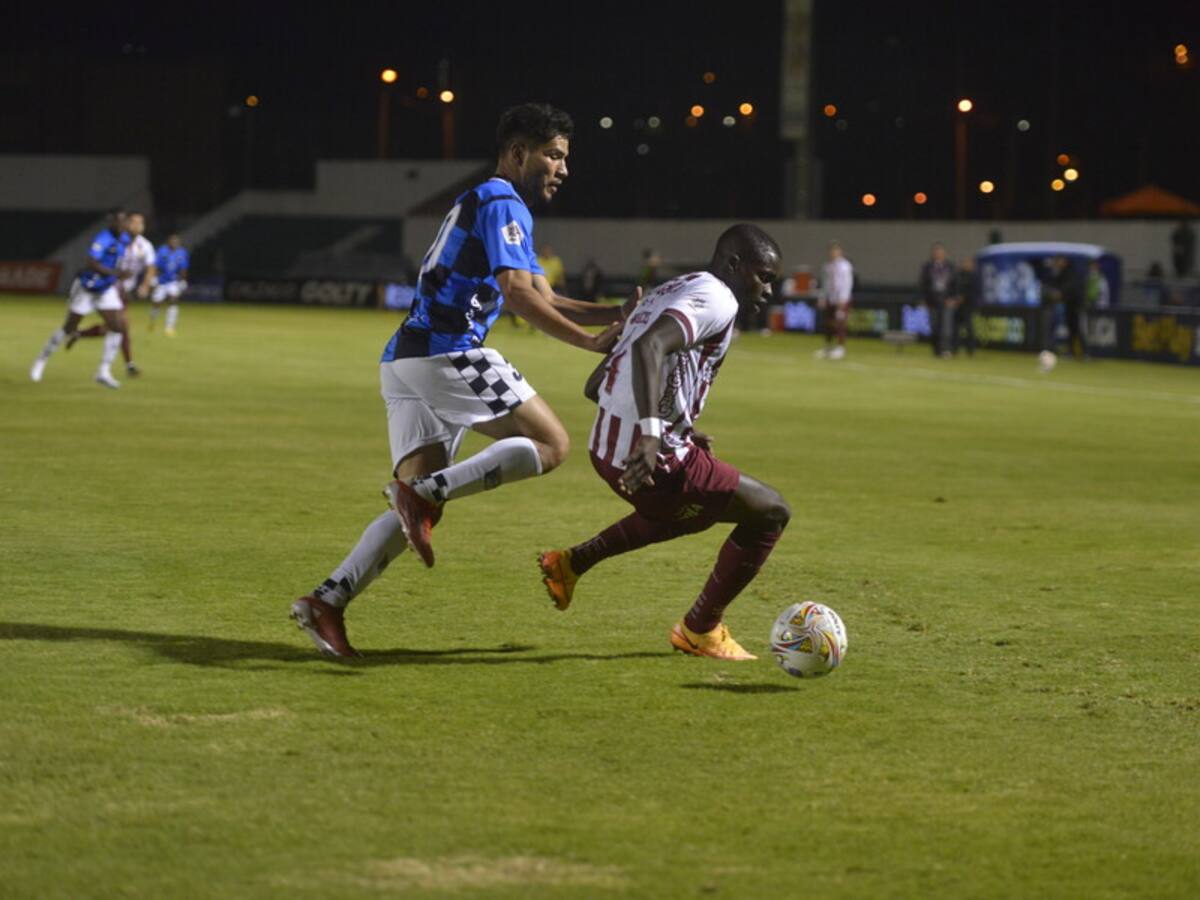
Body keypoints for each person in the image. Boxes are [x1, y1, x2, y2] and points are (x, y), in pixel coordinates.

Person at [290, 103, 635, 658]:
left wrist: (617, 314)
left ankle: (327, 600)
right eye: (554, 155)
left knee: (421, 508)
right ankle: (418, 495)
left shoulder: (492, 202)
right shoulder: (503, 200)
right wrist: (589, 343)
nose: (563, 169)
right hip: (447, 351)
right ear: (519, 153)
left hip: (405, 360)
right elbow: (519, 295)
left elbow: (543, 294)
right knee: (552, 444)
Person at [538, 224, 788, 661]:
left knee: (691, 512)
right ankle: (700, 630)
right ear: (734, 265)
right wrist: (654, 434)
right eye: (763, 276)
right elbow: (651, 346)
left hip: (607, 448)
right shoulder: (718, 298)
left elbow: (598, 383)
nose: (767, 290)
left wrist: (678, 426)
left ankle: (571, 564)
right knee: (769, 513)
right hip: (647, 457)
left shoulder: (672, 288)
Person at [30, 209, 130, 389]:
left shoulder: (124, 239)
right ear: (111, 222)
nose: (122, 225)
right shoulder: (103, 238)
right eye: (119, 221)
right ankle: (41, 359)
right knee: (69, 328)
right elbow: (91, 262)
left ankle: (103, 371)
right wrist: (115, 273)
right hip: (87, 287)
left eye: (124, 221)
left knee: (117, 327)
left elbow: (119, 259)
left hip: (106, 289)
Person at [68, 211, 156, 376]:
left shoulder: (145, 246)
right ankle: (126, 365)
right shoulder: (115, 240)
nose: (137, 226)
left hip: (124, 290)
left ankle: (79, 333)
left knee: (112, 328)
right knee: (122, 326)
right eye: (134, 222)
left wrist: (145, 285)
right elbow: (98, 258)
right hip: (109, 287)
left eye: (141, 223)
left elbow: (151, 267)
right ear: (126, 224)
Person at [919, 242, 959, 358]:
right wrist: (923, 300)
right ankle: (936, 350)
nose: (938, 254)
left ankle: (946, 349)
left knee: (947, 327)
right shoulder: (927, 267)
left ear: (944, 254)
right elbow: (923, 284)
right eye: (936, 252)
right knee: (934, 326)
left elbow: (956, 284)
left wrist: (954, 298)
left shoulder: (950, 267)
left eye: (940, 252)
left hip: (947, 301)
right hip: (932, 301)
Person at [815, 240, 853, 359]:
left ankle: (840, 348)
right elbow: (825, 284)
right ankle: (827, 347)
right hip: (830, 299)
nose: (833, 253)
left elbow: (847, 283)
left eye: (835, 250)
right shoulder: (827, 266)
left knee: (840, 323)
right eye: (832, 251)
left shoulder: (845, 266)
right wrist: (822, 297)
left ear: (840, 252)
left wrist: (843, 298)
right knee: (828, 323)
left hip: (841, 299)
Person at [149, 234, 189, 336]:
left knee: (173, 300)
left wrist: (183, 281)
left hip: (173, 282)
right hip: (162, 281)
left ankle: (169, 327)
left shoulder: (182, 253)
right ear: (168, 242)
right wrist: (154, 278)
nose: (174, 243)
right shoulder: (162, 251)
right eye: (172, 241)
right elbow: (156, 266)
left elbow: (183, 268)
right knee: (156, 303)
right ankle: (152, 321)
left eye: (176, 242)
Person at [955, 256, 978, 356]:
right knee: (956, 328)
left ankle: (971, 350)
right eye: (965, 262)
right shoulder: (958, 275)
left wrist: (964, 298)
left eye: (968, 263)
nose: (966, 265)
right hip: (958, 306)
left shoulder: (974, 276)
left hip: (968, 306)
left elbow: (974, 292)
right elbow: (955, 288)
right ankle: (955, 348)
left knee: (969, 328)